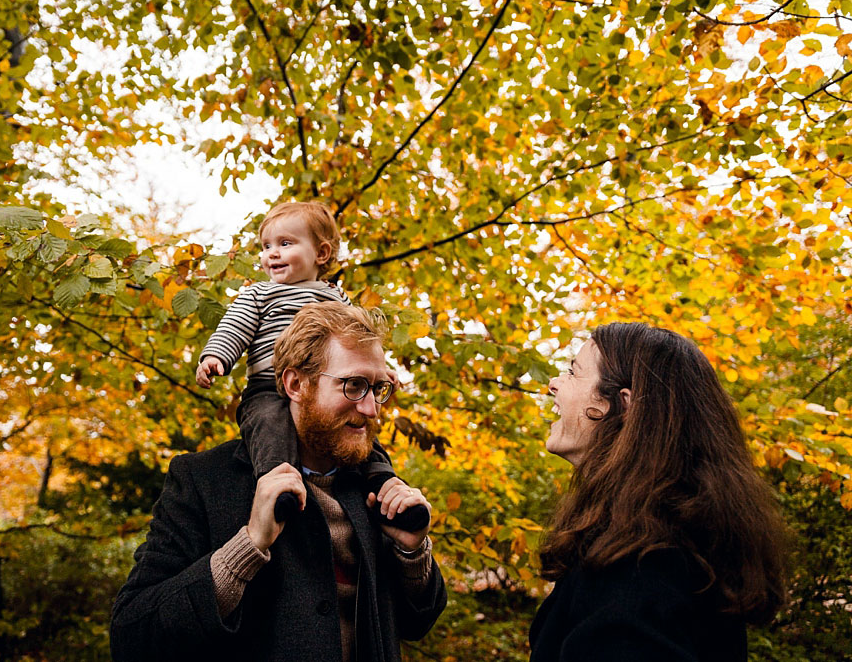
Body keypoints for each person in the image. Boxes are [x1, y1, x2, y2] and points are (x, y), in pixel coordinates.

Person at [112, 302, 447, 662]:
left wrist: (412, 554)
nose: (371, 409)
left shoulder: (379, 488)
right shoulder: (203, 480)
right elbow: (133, 637)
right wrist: (248, 545)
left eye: (378, 388)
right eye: (353, 386)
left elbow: (419, 623)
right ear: (296, 384)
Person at [529, 322, 789, 661]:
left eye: (573, 372)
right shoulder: (662, 544)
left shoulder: (640, 571)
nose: (553, 384)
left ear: (622, 406)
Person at [195, 200, 427, 531]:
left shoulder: (335, 298)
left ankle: (385, 485)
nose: (271, 254)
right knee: (268, 426)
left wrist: (379, 372)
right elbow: (234, 328)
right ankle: (279, 486)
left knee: (358, 426)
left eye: (285, 244)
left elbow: (360, 341)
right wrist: (217, 357)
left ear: (321, 253)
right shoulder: (259, 296)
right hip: (268, 388)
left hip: (328, 391)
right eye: (266, 246)